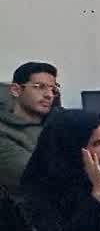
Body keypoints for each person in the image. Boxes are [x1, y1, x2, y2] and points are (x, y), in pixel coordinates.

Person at [0, 61, 58, 193]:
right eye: (40, 87)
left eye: (53, 89)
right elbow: (37, 177)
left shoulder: (58, 122)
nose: (49, 95)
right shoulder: (4, 132)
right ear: (16, 90)